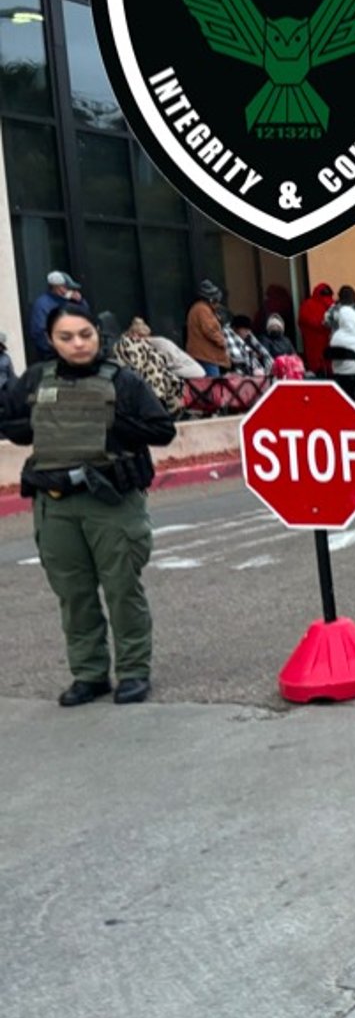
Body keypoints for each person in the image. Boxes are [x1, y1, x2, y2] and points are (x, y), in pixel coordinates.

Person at [0, 302, 177, 706]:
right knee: (73, 594)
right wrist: (45, 419)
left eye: (85, 335)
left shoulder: (122, 381)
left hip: (110, 502)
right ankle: (89, 673)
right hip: (56, 504)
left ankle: (133, 671)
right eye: (66, 337)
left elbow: (161, 429)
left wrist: (104, 420)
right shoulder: (35, 380)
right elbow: (12, 423)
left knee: (121, 590)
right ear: (51, 340)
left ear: (98, 334)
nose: (77, 344)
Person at [112, 319, 188, 417]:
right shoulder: (129, 344)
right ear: (135, 334)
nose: (147, 339)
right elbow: (138, 364)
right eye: (144, 336)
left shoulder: (137, 344)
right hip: (145, 378)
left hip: (150, 377)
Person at [27, 270, 85, 363]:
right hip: (54, 355)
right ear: (56, 288)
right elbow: (39, 333)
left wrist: (80, 302)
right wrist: (57, 348)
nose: (70, 291)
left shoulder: (71, 301)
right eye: (66, 288)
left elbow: (86, 318)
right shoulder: (43, 305)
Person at [184, 280, 227, 377]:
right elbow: (210, 330)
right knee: (213, 385)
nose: (218, 304)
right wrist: (222, 341)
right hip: (206, 356)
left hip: (202, 354)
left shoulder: (199, 308)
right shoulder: (203, 309)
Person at [298, 281, 335, 375]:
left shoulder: (307, 305)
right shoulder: (333, 305)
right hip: (331, 346)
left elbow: (302, 322)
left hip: (313, 348)